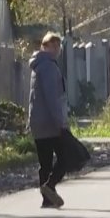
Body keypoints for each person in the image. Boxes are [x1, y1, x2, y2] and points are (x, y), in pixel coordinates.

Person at [28, 32, 69, 208]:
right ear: (44, 47)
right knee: (66, 157)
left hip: (37, 122)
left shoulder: (37, 66)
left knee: (45, 162)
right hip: (50, 122)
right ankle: (50, 186)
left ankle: (47, 199)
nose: (57, 49)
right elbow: (52, 98)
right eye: (53, 46)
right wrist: (60, 122)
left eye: (58, 46)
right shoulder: (49, 67)